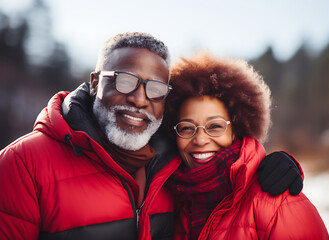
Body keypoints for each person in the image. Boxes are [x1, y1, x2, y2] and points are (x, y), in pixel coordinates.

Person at [0, 32, 302, 240]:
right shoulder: (24, 163)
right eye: (125, 81)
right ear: (94, 83)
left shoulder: (174, 163)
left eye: (155, 89)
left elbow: (226, 172)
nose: (140, 99)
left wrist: (271, 165)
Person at [164, 51, 329, 239]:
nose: (200, 140)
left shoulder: (276, 199)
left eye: (215, 126)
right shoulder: (170, 199)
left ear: (237, 129)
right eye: (186, 128)